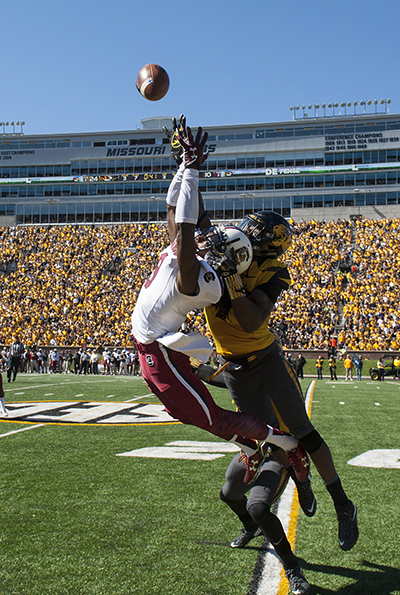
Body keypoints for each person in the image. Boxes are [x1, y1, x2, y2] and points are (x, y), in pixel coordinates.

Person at [130, 118, 309, 485]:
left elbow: (184, 223)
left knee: (209, 417)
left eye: (214, 243)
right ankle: (249, 449)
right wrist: (183, 164)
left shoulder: (202, 281)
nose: (207, 239)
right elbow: (172, 208)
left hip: (158, 348)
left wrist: (192, 171)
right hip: (151, 343)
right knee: (187, 413)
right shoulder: (197, 259)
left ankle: (286, 443)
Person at [204, 208, 359, 552]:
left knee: (302, 431)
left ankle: (342, 504)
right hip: (234, 368)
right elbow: (196, 226)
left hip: (267, 358)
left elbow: (250, 321)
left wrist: (232, 278)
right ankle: (296, 475)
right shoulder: (216, 253)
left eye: (254, 239)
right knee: (264, 439)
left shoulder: (273, 272)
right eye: (245, 232)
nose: (244, 240)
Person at [220, 446, 313, 595]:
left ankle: (292, 566)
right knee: (228, 495)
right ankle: (252, 528)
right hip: (253, 449)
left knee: (257, 508)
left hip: (279, 454)